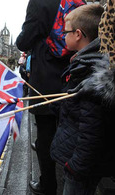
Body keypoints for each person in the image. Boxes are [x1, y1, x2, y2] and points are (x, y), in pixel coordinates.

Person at [16, 0, 86, 194]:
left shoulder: (40, 2)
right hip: (74, 71)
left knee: (45, 135)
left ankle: (48, 185)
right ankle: (71, 179)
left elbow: (25, 39)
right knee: (72, 127)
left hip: (46, 77)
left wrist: (20, 41)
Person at [49, 4, 115, 195]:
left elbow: (91, 130)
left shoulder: (90, 72)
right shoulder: (84, 61)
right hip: (78, 159)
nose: (63, 36)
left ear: (78, 34)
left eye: (66, 32)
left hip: (79, 168)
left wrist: (75, 166)